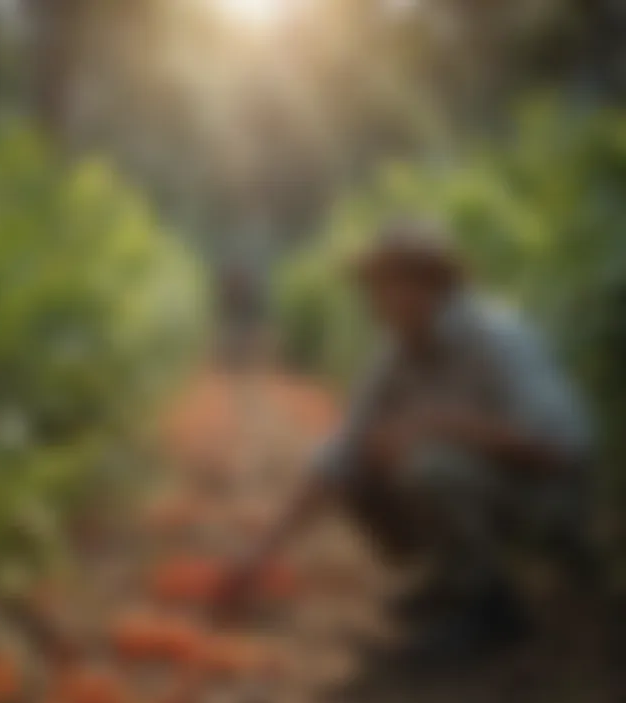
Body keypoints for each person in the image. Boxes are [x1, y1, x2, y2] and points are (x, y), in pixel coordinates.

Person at [217, 218, 594, 661]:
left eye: (386, 286)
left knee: (431, 464)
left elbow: (561, 447)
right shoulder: (397, 355)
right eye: (373, 288)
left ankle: (494, 609)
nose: (376, 302)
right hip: (490, 494)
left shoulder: (499, 337)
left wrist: (444, 422)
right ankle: (453, 581)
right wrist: (262, 552)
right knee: (365, 464)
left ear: (429, 284)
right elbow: (342, 453)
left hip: (548, 502)